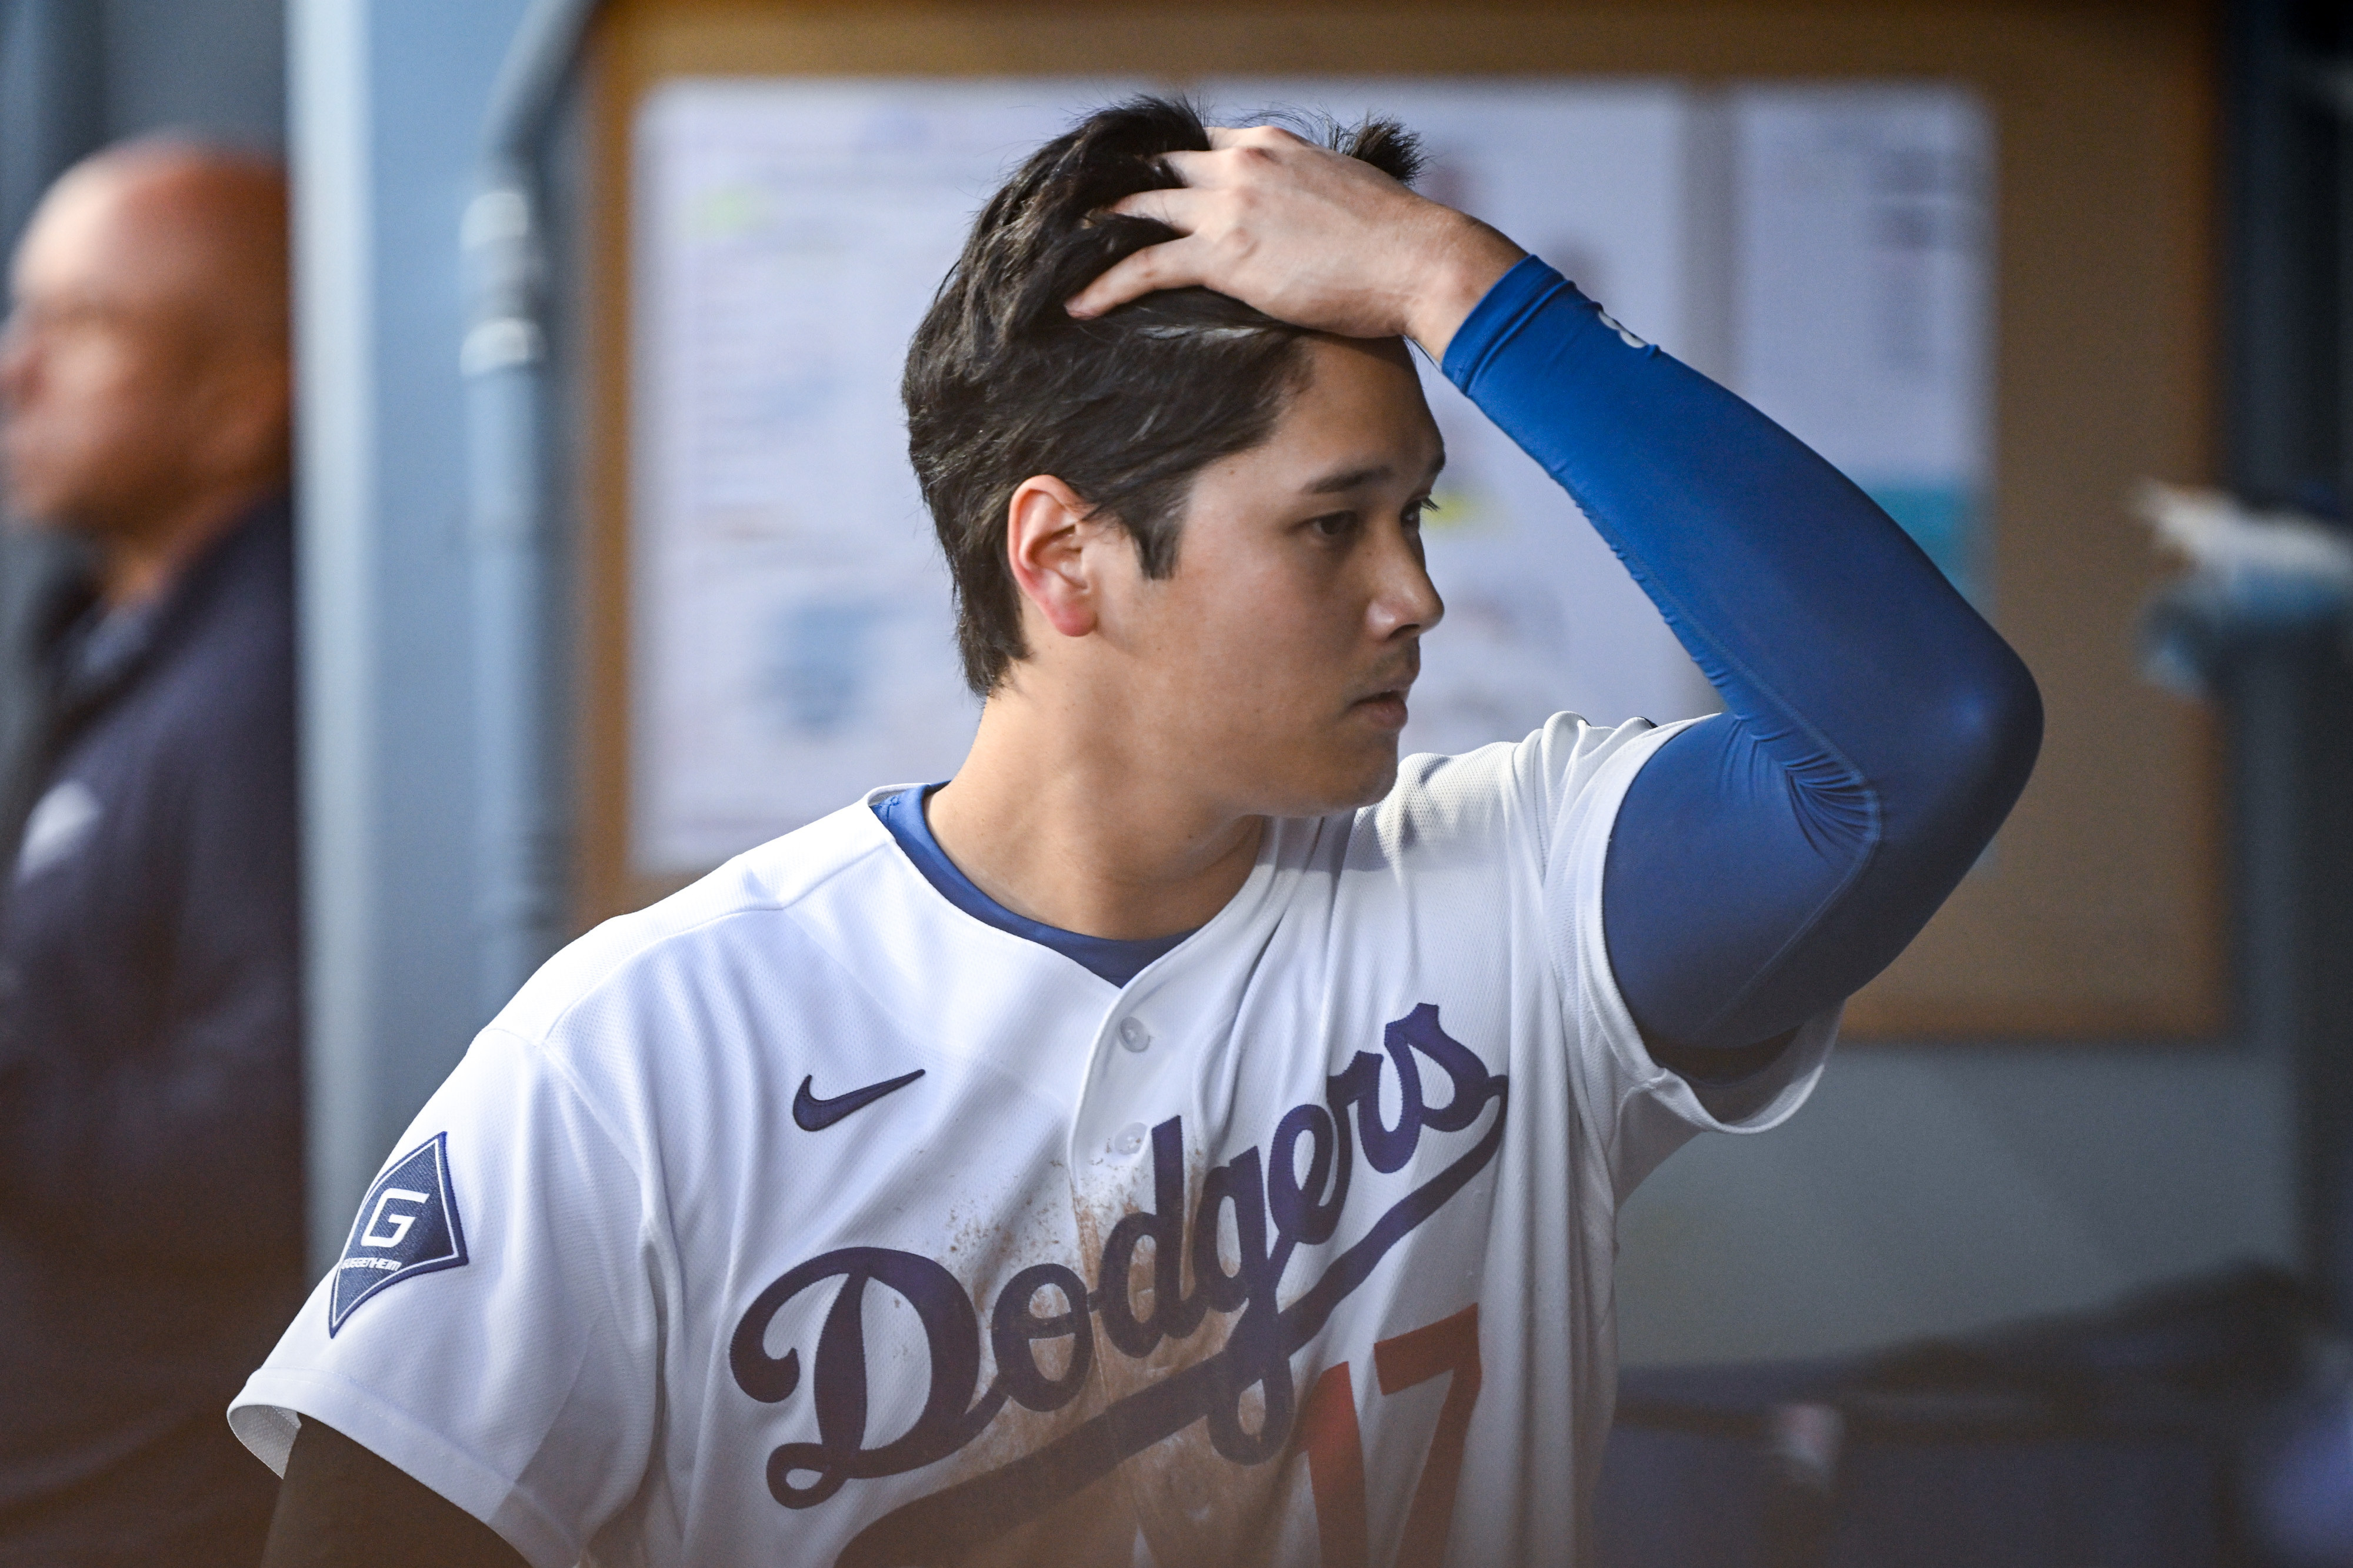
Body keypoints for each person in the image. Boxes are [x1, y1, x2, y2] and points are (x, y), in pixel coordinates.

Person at [237, 99, 2039, 1567]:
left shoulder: (1523, 896)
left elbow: (1919, 741)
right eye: (1335, 527)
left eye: (1417, 516)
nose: (1419, 596)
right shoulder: (644, 1043)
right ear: (1064, 557)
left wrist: (1448, 278)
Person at [0, 141, 301, 1564]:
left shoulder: (272, 684)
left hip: (156, 1510)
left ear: (242, 401)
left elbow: (265, 1138)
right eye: (26, 316)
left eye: (84, 325)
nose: (17, 371)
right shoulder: (123, 642)